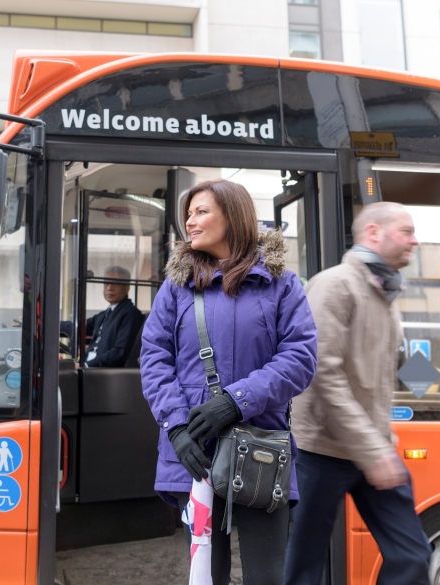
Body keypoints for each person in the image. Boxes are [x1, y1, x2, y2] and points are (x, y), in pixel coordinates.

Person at [140, 179, 318, 585]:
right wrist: (177, 426)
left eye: (201, 211)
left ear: (233, 216)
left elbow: (300, 358)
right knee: (205, 574)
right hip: (194, 455)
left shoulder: (282, 286)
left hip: (260, 453)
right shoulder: (176, 287)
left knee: (267, 576)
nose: (191, 220)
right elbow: (153, 357)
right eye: (189, 213)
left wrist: (235, 401)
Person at [284, 202, 430, 585]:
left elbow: (394, 366)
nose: (416, 241)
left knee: (413, 555)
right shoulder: (334, 285)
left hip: (372, 448)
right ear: (373, 233)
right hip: (321, 451)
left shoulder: (385, 295)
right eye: (407, 231)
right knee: (303, 567)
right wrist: (374, 450)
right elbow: (322, 373)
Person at [82, 266, 145, 368]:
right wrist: (53, 326)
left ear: (126, 287)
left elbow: (119, 353)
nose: (109, 288)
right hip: (90, 370)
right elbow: (80, 326)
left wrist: (87, 365)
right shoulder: (105, 315)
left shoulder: (131, 314)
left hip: (105, 375)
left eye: (115, 283)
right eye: (106, 283)